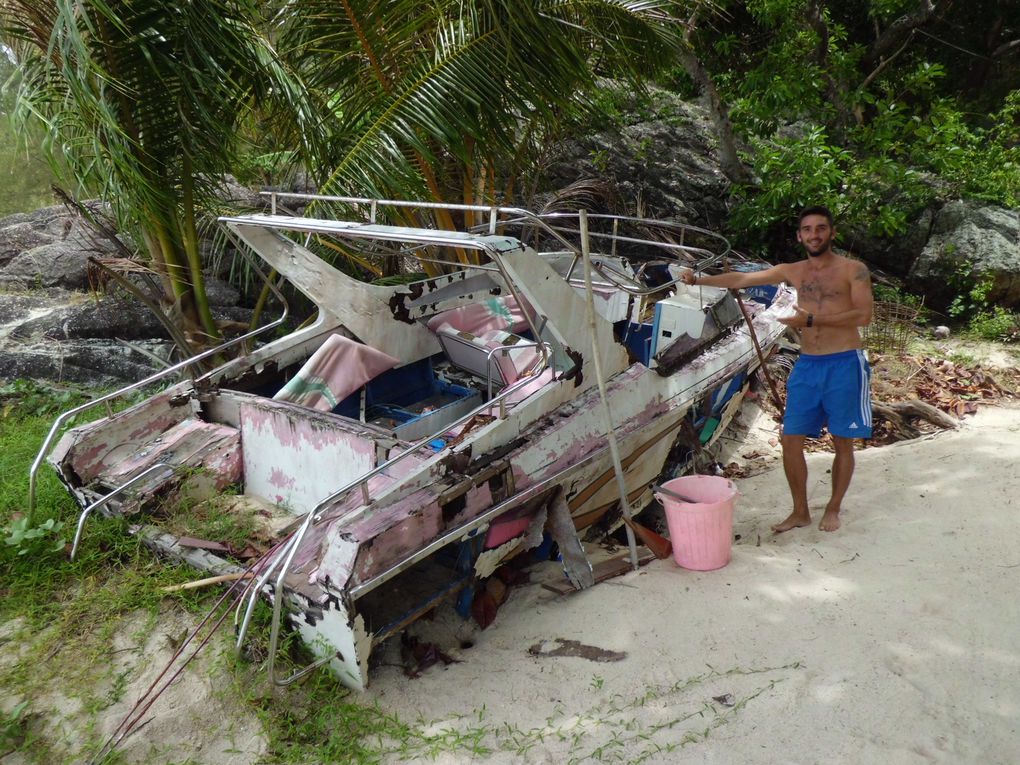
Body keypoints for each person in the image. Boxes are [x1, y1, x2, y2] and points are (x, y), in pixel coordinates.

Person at [681, 206, 874, 532]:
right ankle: (800, 511)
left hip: (845, 363)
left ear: (832, 233)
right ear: (800, 236)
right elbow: (742, 279)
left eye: (821, 228)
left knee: (842, 440)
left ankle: (833, 508)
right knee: (791, 438)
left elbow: (863, 315)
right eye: (808, 229)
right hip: (808, 364)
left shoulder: (854, 270)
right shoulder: (794, 270)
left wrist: (811, 320)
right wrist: (699, 279)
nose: (814, 234)